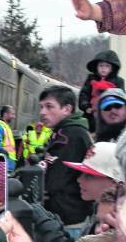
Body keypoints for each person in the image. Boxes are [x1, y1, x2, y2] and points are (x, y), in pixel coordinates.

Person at [39, 85, 93, 226]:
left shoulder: (71, 135)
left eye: (49, 106)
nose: (43, 112)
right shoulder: (64, 131)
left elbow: (56, 179)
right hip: (63, 214)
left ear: (67, 109)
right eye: (41, 107)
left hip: (67, 217)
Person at [79, 50, 125, 133]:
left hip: (109, 112)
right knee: (84, 127)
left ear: (112, 68)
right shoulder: (91, 79)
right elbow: (84, 94)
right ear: (96, 67)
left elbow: (121, 98)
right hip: (91, 113)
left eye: (107, 66)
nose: (103, 68)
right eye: (101, 66)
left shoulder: (118, 81)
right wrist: (86, 106)